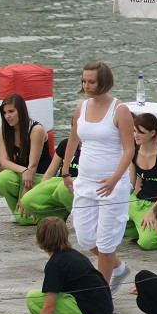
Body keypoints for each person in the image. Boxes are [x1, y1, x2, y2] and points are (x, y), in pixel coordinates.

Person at [62, 61, 134, 293]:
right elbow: (73, 140)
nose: (86, 86)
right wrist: (65, 170)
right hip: (85, 181)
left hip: (111, 185)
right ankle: (119, 268)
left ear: (103, 81)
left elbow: (129, 149)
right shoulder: (80, 107)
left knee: (106, 242)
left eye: (91, 81)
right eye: (84, 81)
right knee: (84, 237)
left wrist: (114, 178)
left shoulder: (119, 110)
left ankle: (101, 294)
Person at [20, 217, 112, 314]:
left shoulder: (55, 264)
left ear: (40, 239)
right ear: (65, 235)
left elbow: (48, 308)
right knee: (61, 296)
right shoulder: (75, 255)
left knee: (34, 299)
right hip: (103, 310)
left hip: (92, 313)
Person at [0, 93, 51, 225]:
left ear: (22, 111)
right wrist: (23, 171)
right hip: (23, 174)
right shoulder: (4, 131)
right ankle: (17, 211)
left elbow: (33, 166)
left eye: (11, 111)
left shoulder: (36, 130)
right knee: (2, 179)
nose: (7, 116)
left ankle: (48, 213)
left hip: (40, 176)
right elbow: (4, 161)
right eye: (5, 112)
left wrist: (24, 195)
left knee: (24, 221)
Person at [127, 113, 157, 250]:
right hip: (138, 202)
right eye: (135, 131)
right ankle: (138, 226)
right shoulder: (133, 152)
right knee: (108, 226)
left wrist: (151, 212)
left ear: (153, 133)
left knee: (147, 243)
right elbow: (130, 186)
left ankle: (144, 229)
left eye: (141, 132)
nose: (136, 135)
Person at [19, 135, 79, 223]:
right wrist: (36, 192)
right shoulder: (65, 144)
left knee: (63, 189)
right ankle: (59, 217)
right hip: (59, 182)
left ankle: (81, 219)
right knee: (27, 201)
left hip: (75, 185)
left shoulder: (94, 148)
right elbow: (50, 173)